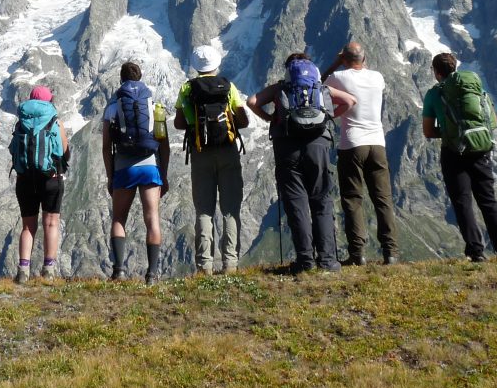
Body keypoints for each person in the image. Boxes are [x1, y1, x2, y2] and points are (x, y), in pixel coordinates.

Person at [247, 53, 355, 275]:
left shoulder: (281, 88)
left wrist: (269, 119)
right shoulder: (320, 88)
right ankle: (328, 261)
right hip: (318, 144)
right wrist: (328, 117)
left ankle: (305, 261)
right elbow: (350, 101)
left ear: (288, 70)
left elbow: (252, 102)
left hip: (287, 146)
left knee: (297, 204)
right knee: (321, 201)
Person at [421, 52, 497, 262]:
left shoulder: (434, 94)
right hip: (481, 149)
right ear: (455, 67)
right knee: (488, 200)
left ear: (436, 72)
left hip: (453, 152)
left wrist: (449, 132)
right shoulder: (475, 89)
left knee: (462, 202)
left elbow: (428, 131)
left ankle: (476, 252)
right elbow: (493, 121)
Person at [174, 45, 250, 275]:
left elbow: (178, 123)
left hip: (200, 153)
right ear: (216, 64)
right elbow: (243, 120)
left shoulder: (187, 88)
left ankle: (204, 265)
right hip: (228, 150)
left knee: (204, 210)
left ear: (196, 67)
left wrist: (194, 122)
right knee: (230, 209)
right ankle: (230, 264)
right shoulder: (228, 86)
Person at [324, 42, 398, 266]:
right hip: (377, 143)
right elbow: (362, 67)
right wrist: (352, 60)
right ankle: (391, 253)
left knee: (352, 199)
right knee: (383, 199)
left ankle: (357, 254)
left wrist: (337, 63)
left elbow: (318, 85)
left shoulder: (339, 77)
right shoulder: (377, 77)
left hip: (352, 144)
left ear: (344, 59)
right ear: (364, 59)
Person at [102, 61, 169, 285]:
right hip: (150, 166)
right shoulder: (153, 104)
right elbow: (164, 143)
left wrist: (110, 177)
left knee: (119, 218)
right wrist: (164, 173)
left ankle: (119, 271)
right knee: (152, 219)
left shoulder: (113, 106)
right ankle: (152, 274)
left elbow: (105, 146)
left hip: (124, 166)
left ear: (121, 79)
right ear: (140, 77)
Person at [10, 85, 70, 283]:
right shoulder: (55, 121)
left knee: (28, 226)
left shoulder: (21, 123)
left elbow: (13, 150)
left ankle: (23, 270)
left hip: (25, 179)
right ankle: (48, 269)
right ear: (49, 101)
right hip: (50, 178)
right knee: (51, 223)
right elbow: (63, 151)